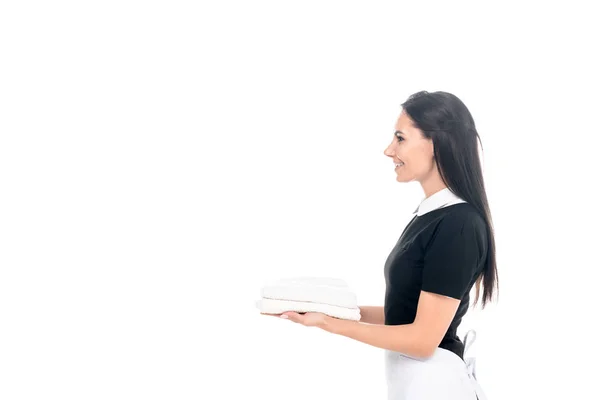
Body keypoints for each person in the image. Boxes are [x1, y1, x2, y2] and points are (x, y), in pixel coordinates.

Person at [263, 90, 498, 400]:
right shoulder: (431, 216)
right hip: (416, 386)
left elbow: (423, 339)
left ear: (438, 143)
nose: (389, 150)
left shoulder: (459, 225)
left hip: (435, 386)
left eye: (400, 138)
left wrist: (332, 326)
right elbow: (404, 315)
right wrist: (329, 312)